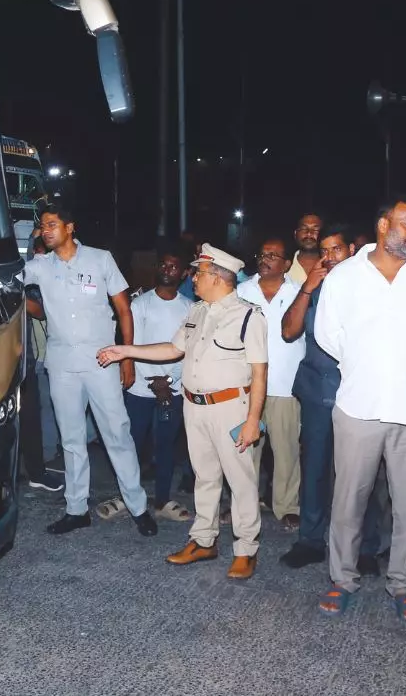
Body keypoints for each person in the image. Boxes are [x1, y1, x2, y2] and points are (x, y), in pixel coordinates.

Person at [314, 196, 406, 624]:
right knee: (348, 500)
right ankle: (342, 579)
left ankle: (403, 584)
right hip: (359, 405)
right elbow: (328, 334)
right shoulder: (345, 275)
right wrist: (366, 366)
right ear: (382, 225)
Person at [98, 244, 267, 579]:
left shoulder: (248, 316)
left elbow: (260, 372)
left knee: (240, 481)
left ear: (217, 277)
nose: (194, 278)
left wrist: (252, 421)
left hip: (230, 409)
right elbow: (173, 349)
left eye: (199, 273)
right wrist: (125, 351)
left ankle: (246, 548)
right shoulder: (197, 311)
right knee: (205, 477)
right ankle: (204, 540)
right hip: (194, 406)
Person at [23, 204, 156, 537]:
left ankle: (138, 507)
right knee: (71, 439)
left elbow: (123, 310)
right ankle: (76, 509)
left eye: (52, 224)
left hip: (102, 361)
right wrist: (28, 243)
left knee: (117, 433)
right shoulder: (40, 266)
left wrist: (127, 358)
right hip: (62, 364)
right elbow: (11, 280)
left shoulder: (100, 259)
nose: (46, 230)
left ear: (70, 227)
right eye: (43, 226)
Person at [279, 224, 391, 573]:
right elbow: (288, 331)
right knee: (315, 469)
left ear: (352, 251)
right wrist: (307, 288)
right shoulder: (314, 288)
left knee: (361, 474)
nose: (329, 257)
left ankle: (365, 547)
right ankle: (311, 541)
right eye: (324, 251)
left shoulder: (370, 287)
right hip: (317, 392)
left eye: (336, 249)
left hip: (358, 392)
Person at [238, 236, 307, 529]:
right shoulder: (241, 291)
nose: (264, 259)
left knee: (286, 451)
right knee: (244, 450)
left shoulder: (300, 292)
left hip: (285, 385)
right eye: (262, 254)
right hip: (247, 385)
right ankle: (244, 505)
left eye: (272, 255)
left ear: (287, 264)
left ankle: (287, 506)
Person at [124, 244, 195, 522]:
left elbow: (187, 350)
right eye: (163, 264)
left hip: (172, 389)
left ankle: (163, 498)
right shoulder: (140, 303)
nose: (167, 269)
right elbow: (134, 345)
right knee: (133, 443)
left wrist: (169, 380)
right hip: (140, 388)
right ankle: (130, 496)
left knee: (165, 445)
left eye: (174, 266)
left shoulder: (189, 308)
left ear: (184, 273)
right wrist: (153, 381)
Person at [288, 213, 324, 285]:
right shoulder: (282, 266)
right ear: (295, 234)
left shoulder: (332, 265)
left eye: (315, 229)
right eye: (304, 228)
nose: (309, 233)